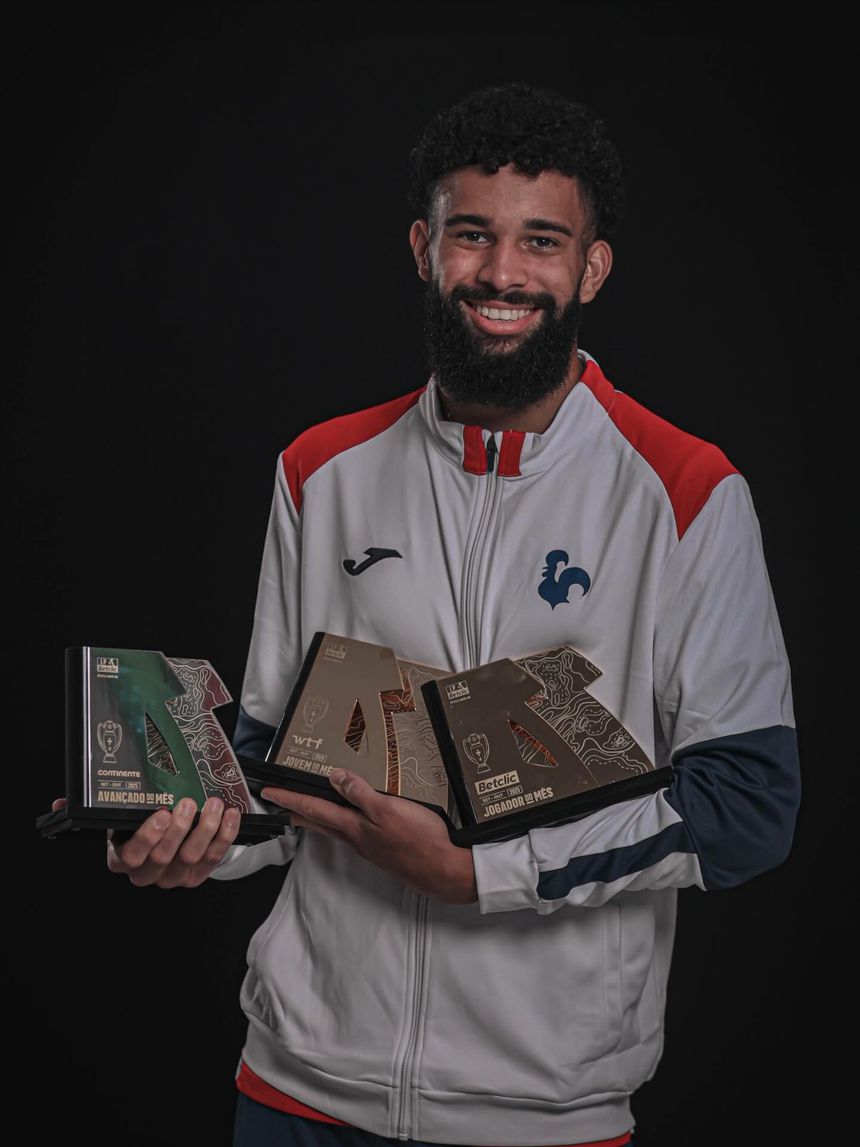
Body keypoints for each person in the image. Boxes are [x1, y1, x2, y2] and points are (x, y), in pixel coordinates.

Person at [92, 82, 801, 1146]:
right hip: (296, 1085)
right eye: (472, 234)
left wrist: (482, 875)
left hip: (542, 1112)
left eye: (541, 241)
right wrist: (186, 832)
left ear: (591, 268)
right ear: (424, 248)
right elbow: (280, 759)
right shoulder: (319, 469)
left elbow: (747, 802)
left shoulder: (687, 491)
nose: (502, 272)